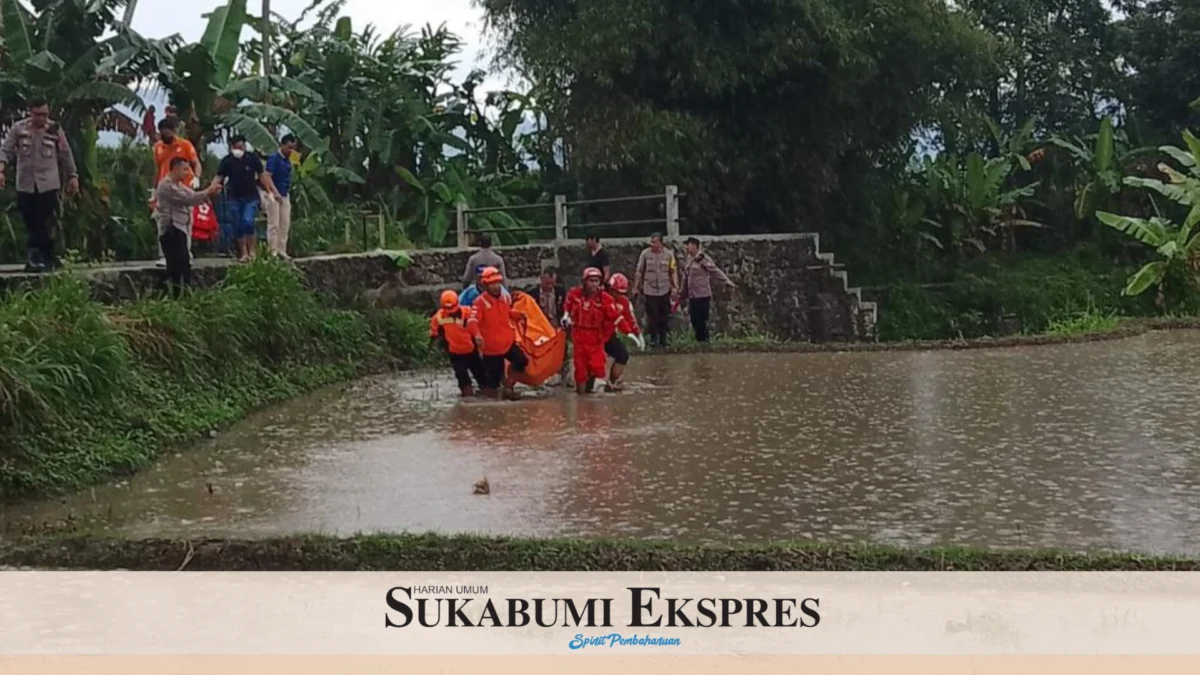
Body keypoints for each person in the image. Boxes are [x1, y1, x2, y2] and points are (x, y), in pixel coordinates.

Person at [0, 99, 79, 273]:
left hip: (48, 184)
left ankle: (36, 257)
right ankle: (48, 255)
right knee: (30, 220)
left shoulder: (55, 130)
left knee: (43, 221)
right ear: (30, 112)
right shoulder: (19, 129)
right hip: (26, 183)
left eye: (44, 114)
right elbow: (6, 150)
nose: (41, 118)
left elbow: (66, 154)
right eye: (38, 114)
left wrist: (73, 176)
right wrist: (1, 169)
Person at [156, 157, 222, 295]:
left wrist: (209, 193)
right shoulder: (166, 186)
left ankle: (183, 294)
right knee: (176, 265)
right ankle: (176, 294)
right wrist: (208, 191)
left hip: (181, 228)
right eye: (185, 169)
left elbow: (194, 196)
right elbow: (188, 199)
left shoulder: (180, 186)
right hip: (171, 229)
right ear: (175, 169)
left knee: (184, 264)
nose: (187, 173)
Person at [563, 267, 627, 395]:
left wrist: (630, 331)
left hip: (597, 338)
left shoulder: (605, 299)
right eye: (591, 281)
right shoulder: (575, 294)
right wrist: (566, 315)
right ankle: (582, 400)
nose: (594, 284)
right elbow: (568, 306)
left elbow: (616, 316)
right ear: (584, 282)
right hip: (580, 338)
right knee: (581, 372)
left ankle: (599, 394)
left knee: (597, 368)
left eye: (596, 281)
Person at [467, 266, 529, 400]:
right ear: (485, 285)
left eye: (497, 283)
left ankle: (509, 385)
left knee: (522, 360)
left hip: (507, 343)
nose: (495, 286)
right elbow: (472, 321)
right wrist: (477, 335)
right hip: (491, 349)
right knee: (493, 383)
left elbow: (506, 314)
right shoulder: (479, 302)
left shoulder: (505, 298)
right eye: (492, 284)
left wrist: (516, 315)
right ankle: (491, 405)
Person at [151, 117, 201, 267]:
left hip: (184, 189)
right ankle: (165, 255)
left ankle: (186, 253)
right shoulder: (158, 147)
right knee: (163, 222)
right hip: (165, 190)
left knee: (185, 222)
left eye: (168, 132)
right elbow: (158, 168)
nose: (165, 135)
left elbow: (196, 162)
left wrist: (197, 178)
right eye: (162, 132)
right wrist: (154, 189)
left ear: (173, 131)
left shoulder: (184, 145)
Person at [217, 136, 273, 263]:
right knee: (238, 225)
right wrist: (211, 189)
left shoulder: (252, 158)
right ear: (232, 147)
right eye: (237, 147)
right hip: (234, 197)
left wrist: (269, 191)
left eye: (241, 147)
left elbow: (262, 176)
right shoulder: (227, 161)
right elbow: (219, 177)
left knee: (248, 221)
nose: (239, 150)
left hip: (250, 197)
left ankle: (252, 251)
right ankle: (243, 253)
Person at [429, 290, 486, 397]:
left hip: (472, 351)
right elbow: (434, 333)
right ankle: (467, 402)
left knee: (483, 380)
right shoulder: (439, 317)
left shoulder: (468, 313)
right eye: (448, 310)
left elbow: (476, 325)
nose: (451, 312)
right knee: (464, 383)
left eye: (453, 309)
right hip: (455, 354)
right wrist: (431, 348)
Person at [680, 237, 737, 343]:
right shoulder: (688, 259)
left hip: (702, 294)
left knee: (702, 320)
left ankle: (704, 341)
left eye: (688, 245)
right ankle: (699, 341)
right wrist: (682, 292)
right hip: (692, 295)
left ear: (694, 246)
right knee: (694, 320)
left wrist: (726, 281)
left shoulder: (703, 258)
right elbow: (686, 277)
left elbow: (714, 270)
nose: (686, 247)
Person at [633, 232, 679, 347]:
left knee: (664, 316)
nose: (652, 245)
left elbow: (673, 271)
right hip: (650, 290)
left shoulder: (668, 254)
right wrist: (636, 286)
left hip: (664, 289)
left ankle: (664, 340)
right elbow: (639, 271)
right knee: (652, 316)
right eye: (651, 242)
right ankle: (654, 339)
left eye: (655, 242)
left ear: (660, 243)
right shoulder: (645, 254)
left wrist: (675, 287)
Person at [527, 266, 569, 386]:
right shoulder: (532, 294)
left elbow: (566, 308)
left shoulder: (560, 291)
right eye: (547, 284)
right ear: (541, 280)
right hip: (540, 328)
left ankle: (564, 377)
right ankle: (542, 376)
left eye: (552, 284)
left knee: (564, 351)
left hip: (557, 326)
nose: (550, 287)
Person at [603, 273, 644, 391]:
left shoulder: (624, 302)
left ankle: (612, 383)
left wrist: (637, 334)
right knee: (594, 363)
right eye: (615, 291)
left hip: (609, 335)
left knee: (622, 355)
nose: (617, 295)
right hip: (595, 336)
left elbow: (629, 319)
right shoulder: (601, 297)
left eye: (620, 293)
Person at [263, 134, 295, 259]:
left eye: (293, 148)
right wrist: (275, 192)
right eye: (289, 147)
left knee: (284, 223)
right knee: (274, 224)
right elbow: (267, 176)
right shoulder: (274, 158)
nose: (291, 151)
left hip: (285, 194)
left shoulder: (288, 161)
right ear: (282, 145)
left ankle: (282, 249)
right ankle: (273, 251)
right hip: (272, 194)